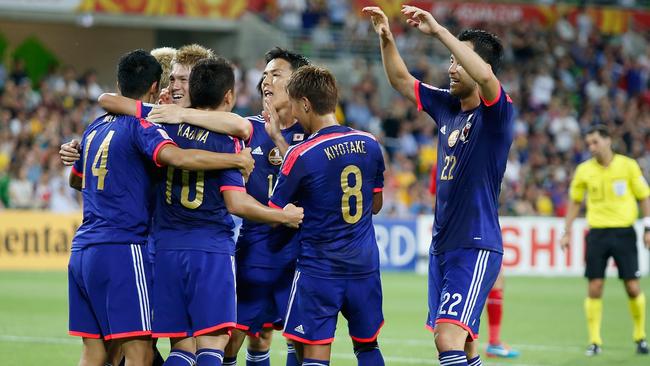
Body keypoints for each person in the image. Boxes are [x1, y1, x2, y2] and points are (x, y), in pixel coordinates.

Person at [67, 49, 253, 366]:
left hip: (89, 246)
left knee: (104, 352)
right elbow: (181, 157)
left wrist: (78, 150)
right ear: (156, 86)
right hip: (132, 248)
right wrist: (236, 160)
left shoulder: (96, 127)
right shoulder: (147, 126)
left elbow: (77, 179)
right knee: (147, 350)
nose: (177, 86)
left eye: (184, 79)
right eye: (173, 78)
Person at [363, 5, 513, 366]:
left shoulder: (497, 113)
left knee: (448, 339)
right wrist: (387, 39)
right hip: (442, 246)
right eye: (450, 60)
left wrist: (440, 31)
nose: (451, 68)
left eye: (459, 60)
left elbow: (487, 78)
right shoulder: (449, 107)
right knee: (461, 346)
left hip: (475, 245)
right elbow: (400, 80)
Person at [147, 47, 310, 366]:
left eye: (276, 74)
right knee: (234, 337)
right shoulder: (242, 128)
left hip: (302, 247)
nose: (266, 80)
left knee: (299, 338)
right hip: (256, 243)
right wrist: (180, 112)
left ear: (299, 83)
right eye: (264, 74)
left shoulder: (316, 132)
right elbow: (220, 121)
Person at [270, 65, 386, 366]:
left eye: (295, 105)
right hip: (364, 266)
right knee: (368, 346)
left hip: (320, 268)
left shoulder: (302, 154)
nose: (294, 113)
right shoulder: (371, 144)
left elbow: (275, 212)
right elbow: (376, 205)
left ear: (306, 103)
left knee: (312, 349)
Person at [560, 124, 650, 356]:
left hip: (624, 232)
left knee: (632, 286)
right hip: (598, 233)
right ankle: (595, 341)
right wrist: (567, 231)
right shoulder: (584, 170)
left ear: (608, 140)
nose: (591, 147)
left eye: (595, 142)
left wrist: (648, 228)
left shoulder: (628, 166)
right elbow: (575, 202)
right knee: (595, 286)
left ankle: (640, 336)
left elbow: (644, 197)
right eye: (588, 143)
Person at [430, 167, 519, 359]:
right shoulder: (456, 155)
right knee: (454, 336)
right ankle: (490, 343)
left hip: (467, 236)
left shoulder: (451, 156)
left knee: (496, 281)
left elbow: (435, 198)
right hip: (465, 239)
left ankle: (490, 343)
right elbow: (436, 197)